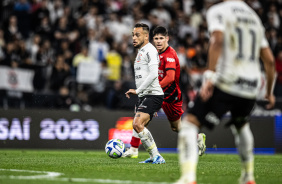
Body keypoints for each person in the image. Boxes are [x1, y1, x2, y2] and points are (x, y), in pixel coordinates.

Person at [175, 1, 276, 184]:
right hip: (252, 85)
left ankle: (188, 178)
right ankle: (248, 176)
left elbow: (218, 40)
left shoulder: (219, 10)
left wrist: (209, 77)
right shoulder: (254, 17)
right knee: (241, 124)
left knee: (190, 123)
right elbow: (269, 60)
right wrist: (269, 92)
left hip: (227, 80)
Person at [123, 26, 206, 159]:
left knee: (176, 127)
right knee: (140, 118)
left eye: (161, 38)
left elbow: (170, 78)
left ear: (167, 39)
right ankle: (133, 149)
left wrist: (152, 89)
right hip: (156, 92)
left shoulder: (170, 54)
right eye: (156, 38)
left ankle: (197, 137)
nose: (158, 41)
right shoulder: (152, 52)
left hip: (171, 96)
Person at [125, 23, 165, 164]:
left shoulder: (150, 51)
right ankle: (137, 151)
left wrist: (138, 90)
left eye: (137, 35)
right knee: (139, 125)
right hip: (144, 95)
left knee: (137, 123)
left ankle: (156, 156)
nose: (134, 38)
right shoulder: (141, 52)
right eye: (133, 35)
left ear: (146, 36)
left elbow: (154, 74)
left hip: (153, 94)